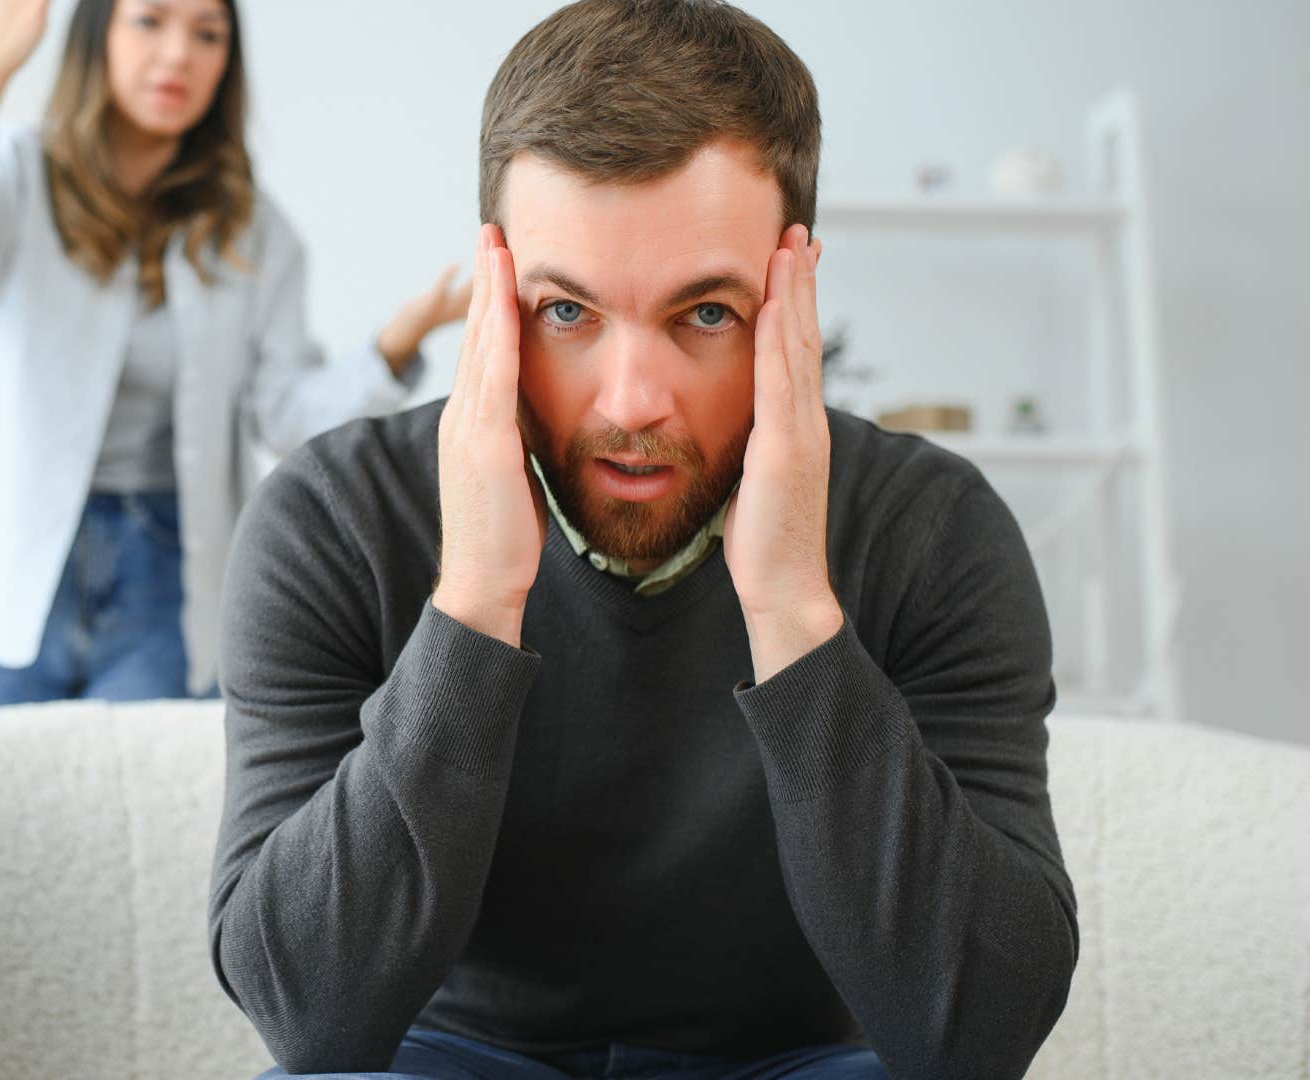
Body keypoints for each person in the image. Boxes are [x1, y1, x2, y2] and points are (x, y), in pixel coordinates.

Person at [207, 2, 1078, 1078]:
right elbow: (311, 1022)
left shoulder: (933, 530)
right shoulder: (333, 520)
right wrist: (475, 598)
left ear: (790, 291)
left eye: (705, 313)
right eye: (566, 312)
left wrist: (795, 614)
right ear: (496, 297)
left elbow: (977, 1035)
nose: (632, 401)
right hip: (453, 1056)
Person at [0, 0, 464, 715]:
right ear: (97, 38)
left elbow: (288, 418)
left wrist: (396, 344)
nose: (179, 54)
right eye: (149, 21)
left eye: (207, 34)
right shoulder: (20, 178)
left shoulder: (255, 233)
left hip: (167, 574)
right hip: (2, 559)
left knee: (135, 817)